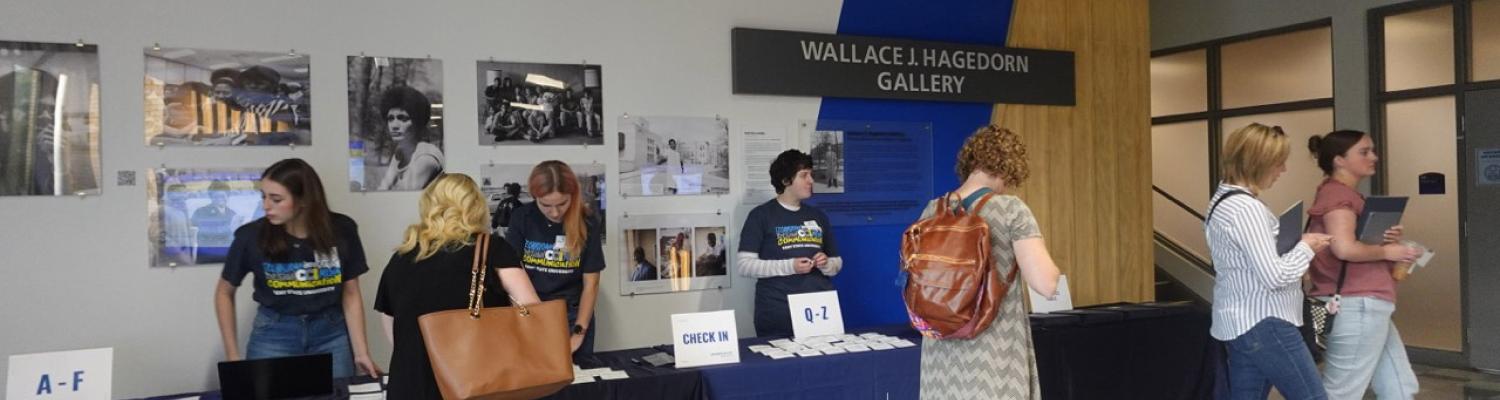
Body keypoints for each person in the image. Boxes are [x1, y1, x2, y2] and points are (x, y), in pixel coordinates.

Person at [916, 125, 1060, 399]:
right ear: (1008, 166)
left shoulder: (932, 209)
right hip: (991, 353)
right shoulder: (1011, 209)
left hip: (939, 354)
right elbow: (1045, 283)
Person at [374, 173, 542, 399]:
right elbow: (532, 310)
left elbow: (391, 317)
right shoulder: (493, 249)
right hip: (473, 380)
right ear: (476, 207)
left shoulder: (403, 256)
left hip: (410, 382)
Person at [214, 158, 380, 378]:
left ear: (303, 200)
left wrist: (361, 352)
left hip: (331, 332)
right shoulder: (250, 236)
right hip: (274, 333)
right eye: (263, 197)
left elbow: (350, 293)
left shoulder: (342, 229)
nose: (266, 206)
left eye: (276, 199)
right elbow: (224, 293)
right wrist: (233, 356)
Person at [1206, 123, 1333, 400]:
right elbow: (1274, 277)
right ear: (1257, 163)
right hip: (1265, 323)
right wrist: (1306, 247)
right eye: (1278, 163)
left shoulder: (1223, 200)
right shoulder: (1246, 209)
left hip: (1243, 324)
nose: (1283, 170)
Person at [1305, 130, 1421, 399]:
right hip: (1356, 306)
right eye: (1364, 152)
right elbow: (1344, 248)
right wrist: (1388, 251)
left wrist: (1386, 243)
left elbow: (1349, 243)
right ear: (1339, 160)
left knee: (1399, 385)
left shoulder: (1340, 195)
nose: (1374, 157)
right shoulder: (1338, 198)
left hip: (1364, 305)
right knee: (1341, 392)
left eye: (1372, 150)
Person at [737, 149, 843, 337]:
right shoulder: (761, 216)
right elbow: (745, 266)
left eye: (810, 174)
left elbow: (837, 263)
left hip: (820, 310)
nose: (811, 180)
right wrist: (790, 266)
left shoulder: (818, 216)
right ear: (786, 181)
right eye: (804, 175)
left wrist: (827, 264)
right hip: (778, 311)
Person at [506, 160, 606, 357]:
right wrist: (528, 319)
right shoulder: (522, 217)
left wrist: (579, 332)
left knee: (577, 381)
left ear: (573, 196)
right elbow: (511, 273)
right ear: (535, 197)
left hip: (572, 316)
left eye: (562, 204)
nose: (555, 212)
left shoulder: (587, 222)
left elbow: (591, 284)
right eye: (546, 205)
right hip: (530, 311)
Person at [0, 69, 58, 195]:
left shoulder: (46, 154)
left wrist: (58, 163)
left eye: (52, 110)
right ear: (3, 114)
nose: (46, 117)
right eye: (35, 109)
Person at [375, 86, 443, 191]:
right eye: (390, 118)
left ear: (417, 122)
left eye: (402, 118)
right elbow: (383, 188)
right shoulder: (400, 153)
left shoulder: (426, 157)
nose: (394, 125)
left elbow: (405, 198)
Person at [193, 180, 242, 263]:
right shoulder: (200, 212)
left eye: (223, 196)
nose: (220, 199)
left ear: (228, 196)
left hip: (227, 258)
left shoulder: (233, 214)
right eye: (216, 196)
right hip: (208, 258)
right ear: (211, 197)